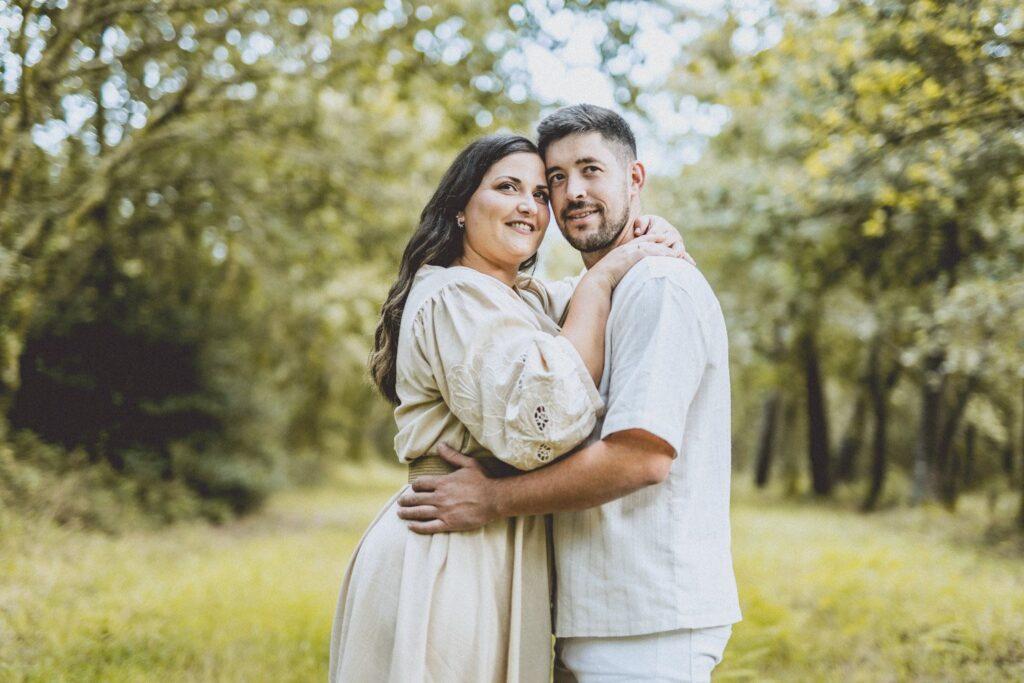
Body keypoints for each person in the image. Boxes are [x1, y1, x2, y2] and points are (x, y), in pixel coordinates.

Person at [398, 104, 742, 682]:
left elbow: (642, 456)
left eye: (590, 170)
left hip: (646, 616)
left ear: (634, 179)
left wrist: (494, 500)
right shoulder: (564, 296)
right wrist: (609, 269)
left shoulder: (656, 283)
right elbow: (567, 324)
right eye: (556, 179)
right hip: (583, 604)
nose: (568, 193)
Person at [328, 133, 686, 683]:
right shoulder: (452, 296)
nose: (530, 205)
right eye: (507, 187)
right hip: (447, 549)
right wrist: (605, 279)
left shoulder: (520, 298)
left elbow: (583, 308)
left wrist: (645, 233)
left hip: (494, 540)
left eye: (541, 194)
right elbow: (541, 421)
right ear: (460, 210)